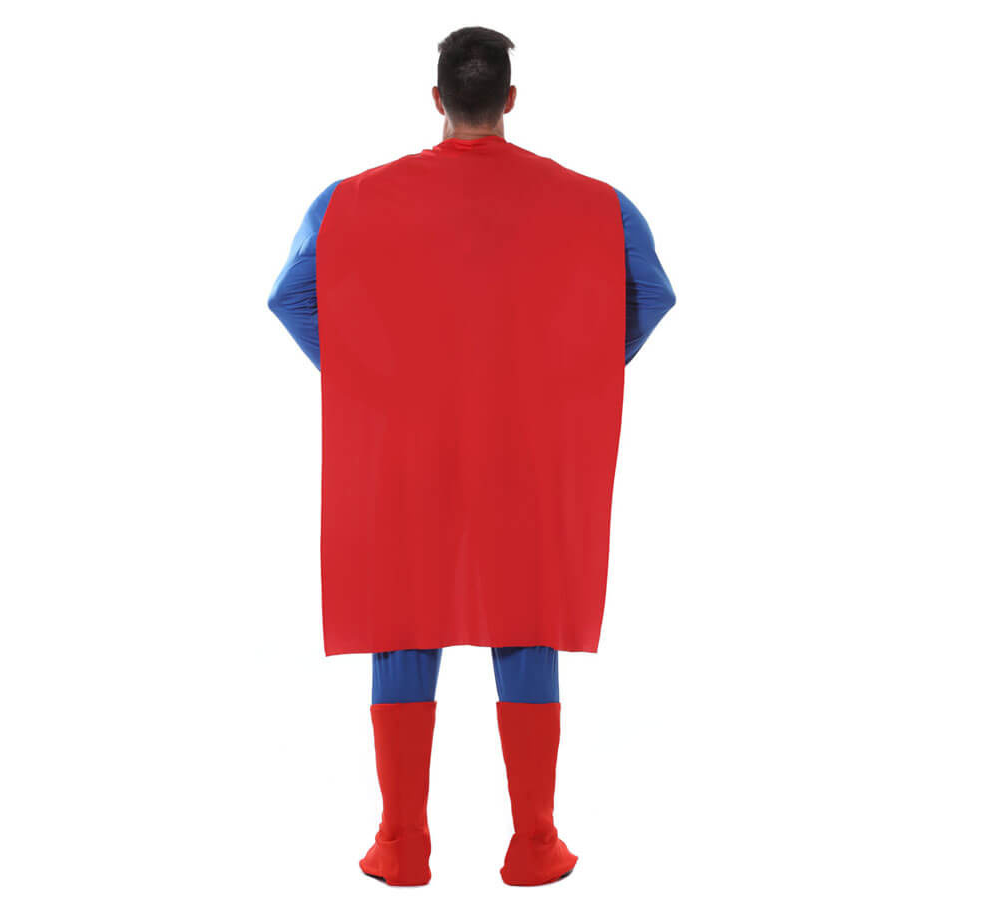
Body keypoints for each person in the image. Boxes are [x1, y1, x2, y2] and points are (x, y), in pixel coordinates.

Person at [267, 26, 675, 887]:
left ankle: (400, 846)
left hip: (404, 447)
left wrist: (373, 377)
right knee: (526, 621)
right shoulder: (599, 205)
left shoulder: (345, 202)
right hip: (524, 446)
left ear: (437, 99)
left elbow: (293, 295)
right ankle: (534, 846)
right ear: (511, 100)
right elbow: (650, 294)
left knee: (402, 621)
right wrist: (571, 373)